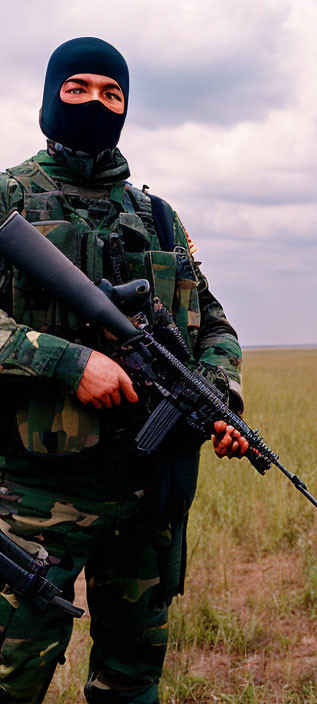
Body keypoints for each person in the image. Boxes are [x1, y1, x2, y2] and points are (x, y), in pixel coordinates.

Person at [0, 37, 249, 703]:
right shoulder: (8, 199)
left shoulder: (159, 218)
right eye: (78, 87)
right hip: (35, 490)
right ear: (50, 95)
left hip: (148, 489)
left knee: (131, 677)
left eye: (112, 93)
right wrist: (65, 361)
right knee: (9, 671)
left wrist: (219, 393)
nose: (95, 102)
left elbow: (213, 322)